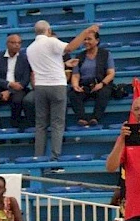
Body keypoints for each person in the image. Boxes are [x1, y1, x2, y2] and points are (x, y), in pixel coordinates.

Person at [26, 21, 99, 160]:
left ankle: (38, 157)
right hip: (56, 85)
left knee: (40, 125)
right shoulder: (52, 42)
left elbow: (45, 64)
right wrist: (86, 31)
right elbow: (70, 48)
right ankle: (54, 158)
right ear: (48, 30)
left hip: (40, 86)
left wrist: (63, 64)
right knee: (57, 124)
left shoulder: (30, 48)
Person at [0, 34, 32, 129]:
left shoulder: (25, 58)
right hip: (1, 87)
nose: (17, 45)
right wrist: (9, 84)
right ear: (7, 44)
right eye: (14, 43)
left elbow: (25, 80)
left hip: (19, 89)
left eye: (19, 43)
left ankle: (15, 127)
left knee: (17, 100)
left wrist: (9, 91)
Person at [69, 31, 115, 126]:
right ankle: (82, 118)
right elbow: (75, 75)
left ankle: (95, 118)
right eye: (84, 39)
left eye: (89, 39)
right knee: (73, 94)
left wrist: (102, 84)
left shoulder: (106, 54)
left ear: (97, 40)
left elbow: (111, 73)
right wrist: (75, 85)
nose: (86, 41)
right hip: (85, 85)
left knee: (104, 93)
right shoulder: (79, 56)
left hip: (101, 83)